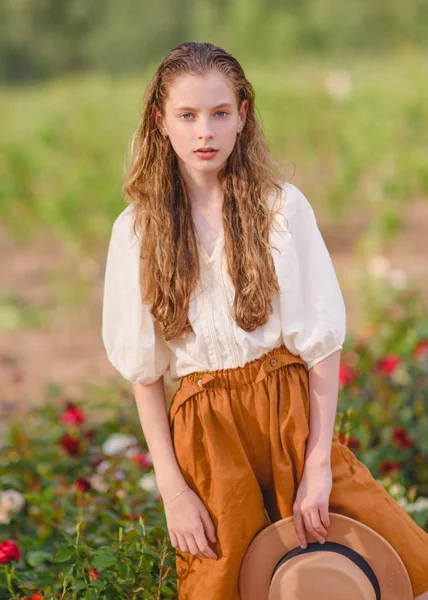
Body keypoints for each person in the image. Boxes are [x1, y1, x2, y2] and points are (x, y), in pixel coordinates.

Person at [102, 42, 428, 600]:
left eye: (219, 113)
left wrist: (319, 465)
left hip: (291, 419)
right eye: (187, 115)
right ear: (160, 122)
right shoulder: (136, 231)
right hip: (207, 439)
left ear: (242, 116)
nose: (204, 130)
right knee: (223, 583)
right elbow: (144, 372)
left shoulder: (281, 207)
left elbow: (322, 345)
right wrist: (172, 490)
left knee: (397, 559)